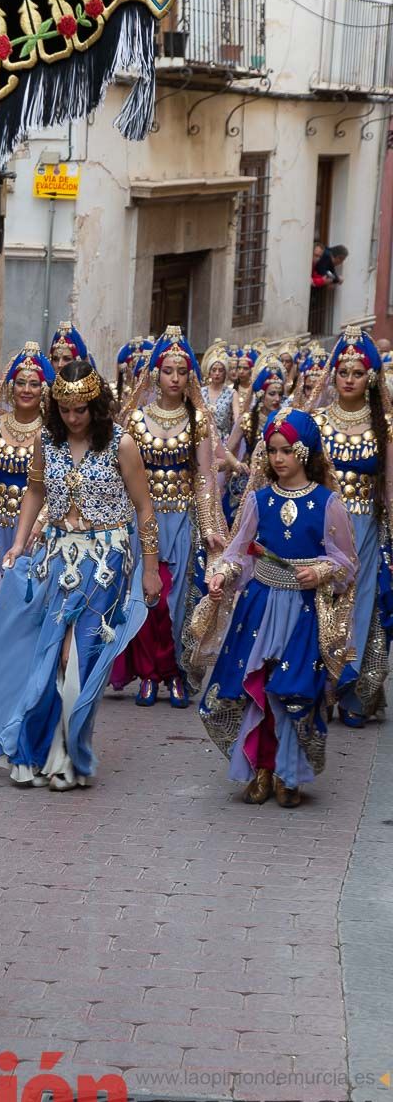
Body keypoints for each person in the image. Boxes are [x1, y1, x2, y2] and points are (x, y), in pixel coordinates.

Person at [0, 360, 159, 789]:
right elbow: (35, 491)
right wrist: (18, 542)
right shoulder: (46, 441)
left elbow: (144, 508)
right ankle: (41, 750)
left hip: (107, 560)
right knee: (48, 655)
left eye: (80, 410)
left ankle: (69, 756)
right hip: (57, 554)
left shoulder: (121, 444)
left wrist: (151, 569)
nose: (72, 417)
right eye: (65, 410)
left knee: (79, 655)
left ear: (95, 406)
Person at [195, 408, 357, 807]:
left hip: (303, 612)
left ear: (305, 452)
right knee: (257, 687)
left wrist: (320, 571)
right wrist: (222, 575)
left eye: (287, 450)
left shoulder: (327, 502)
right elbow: (239, 551)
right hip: (261, 607)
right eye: (272, 451)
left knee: (293, 688)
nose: (278, 458)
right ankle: (260, 768)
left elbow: (346, 561)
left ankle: (289, 773)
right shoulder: (259, 500)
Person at [110, 326, 226, 706]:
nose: (174, 378)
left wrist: (208, 525)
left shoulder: (198, 420)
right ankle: (147, 673)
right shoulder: (136, 419)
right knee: (146, 595)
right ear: (156, 373)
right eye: (168, 370)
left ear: (189, 375)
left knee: (175, 602)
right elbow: (122, 474)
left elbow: (205, 477)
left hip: (181, 520)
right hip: (143, 518)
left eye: (181, 371)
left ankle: (173, 672)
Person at [311, 327, 393, 726]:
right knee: (321, 604)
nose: (348, 379)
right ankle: (320, 687)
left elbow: (389, 489)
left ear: (370, 378)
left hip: (365, 528)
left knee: (360, 604)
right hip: (322, 529)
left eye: (357, 373)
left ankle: (352, 690)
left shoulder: (385, 426)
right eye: (343, 372)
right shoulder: (317, 422)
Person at [0, 343, 55, 566]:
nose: (26, 390)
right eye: (20, 382)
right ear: (11, 386)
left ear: (43, 390)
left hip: (35, 529)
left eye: (34, 384)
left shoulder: (51, 434)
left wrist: (42, 520)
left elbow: (60, 482)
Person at [221, 362, 286, 527]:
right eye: (272, 394)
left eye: (280, 394)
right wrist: (237, 464)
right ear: (261, 394)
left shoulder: (285, 421)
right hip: (247, 480)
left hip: (277, 480)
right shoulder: (248, 420)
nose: (277, 399)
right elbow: (225, 450)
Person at [200, 340, 235, 444]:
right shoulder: (201, 392)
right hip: (202, 438)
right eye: (214, 370)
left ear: (225, 372)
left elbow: (237, 420)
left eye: (221, 370)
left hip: (224, 441)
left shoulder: (232, 393)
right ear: (209, 372)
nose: (217, 373)